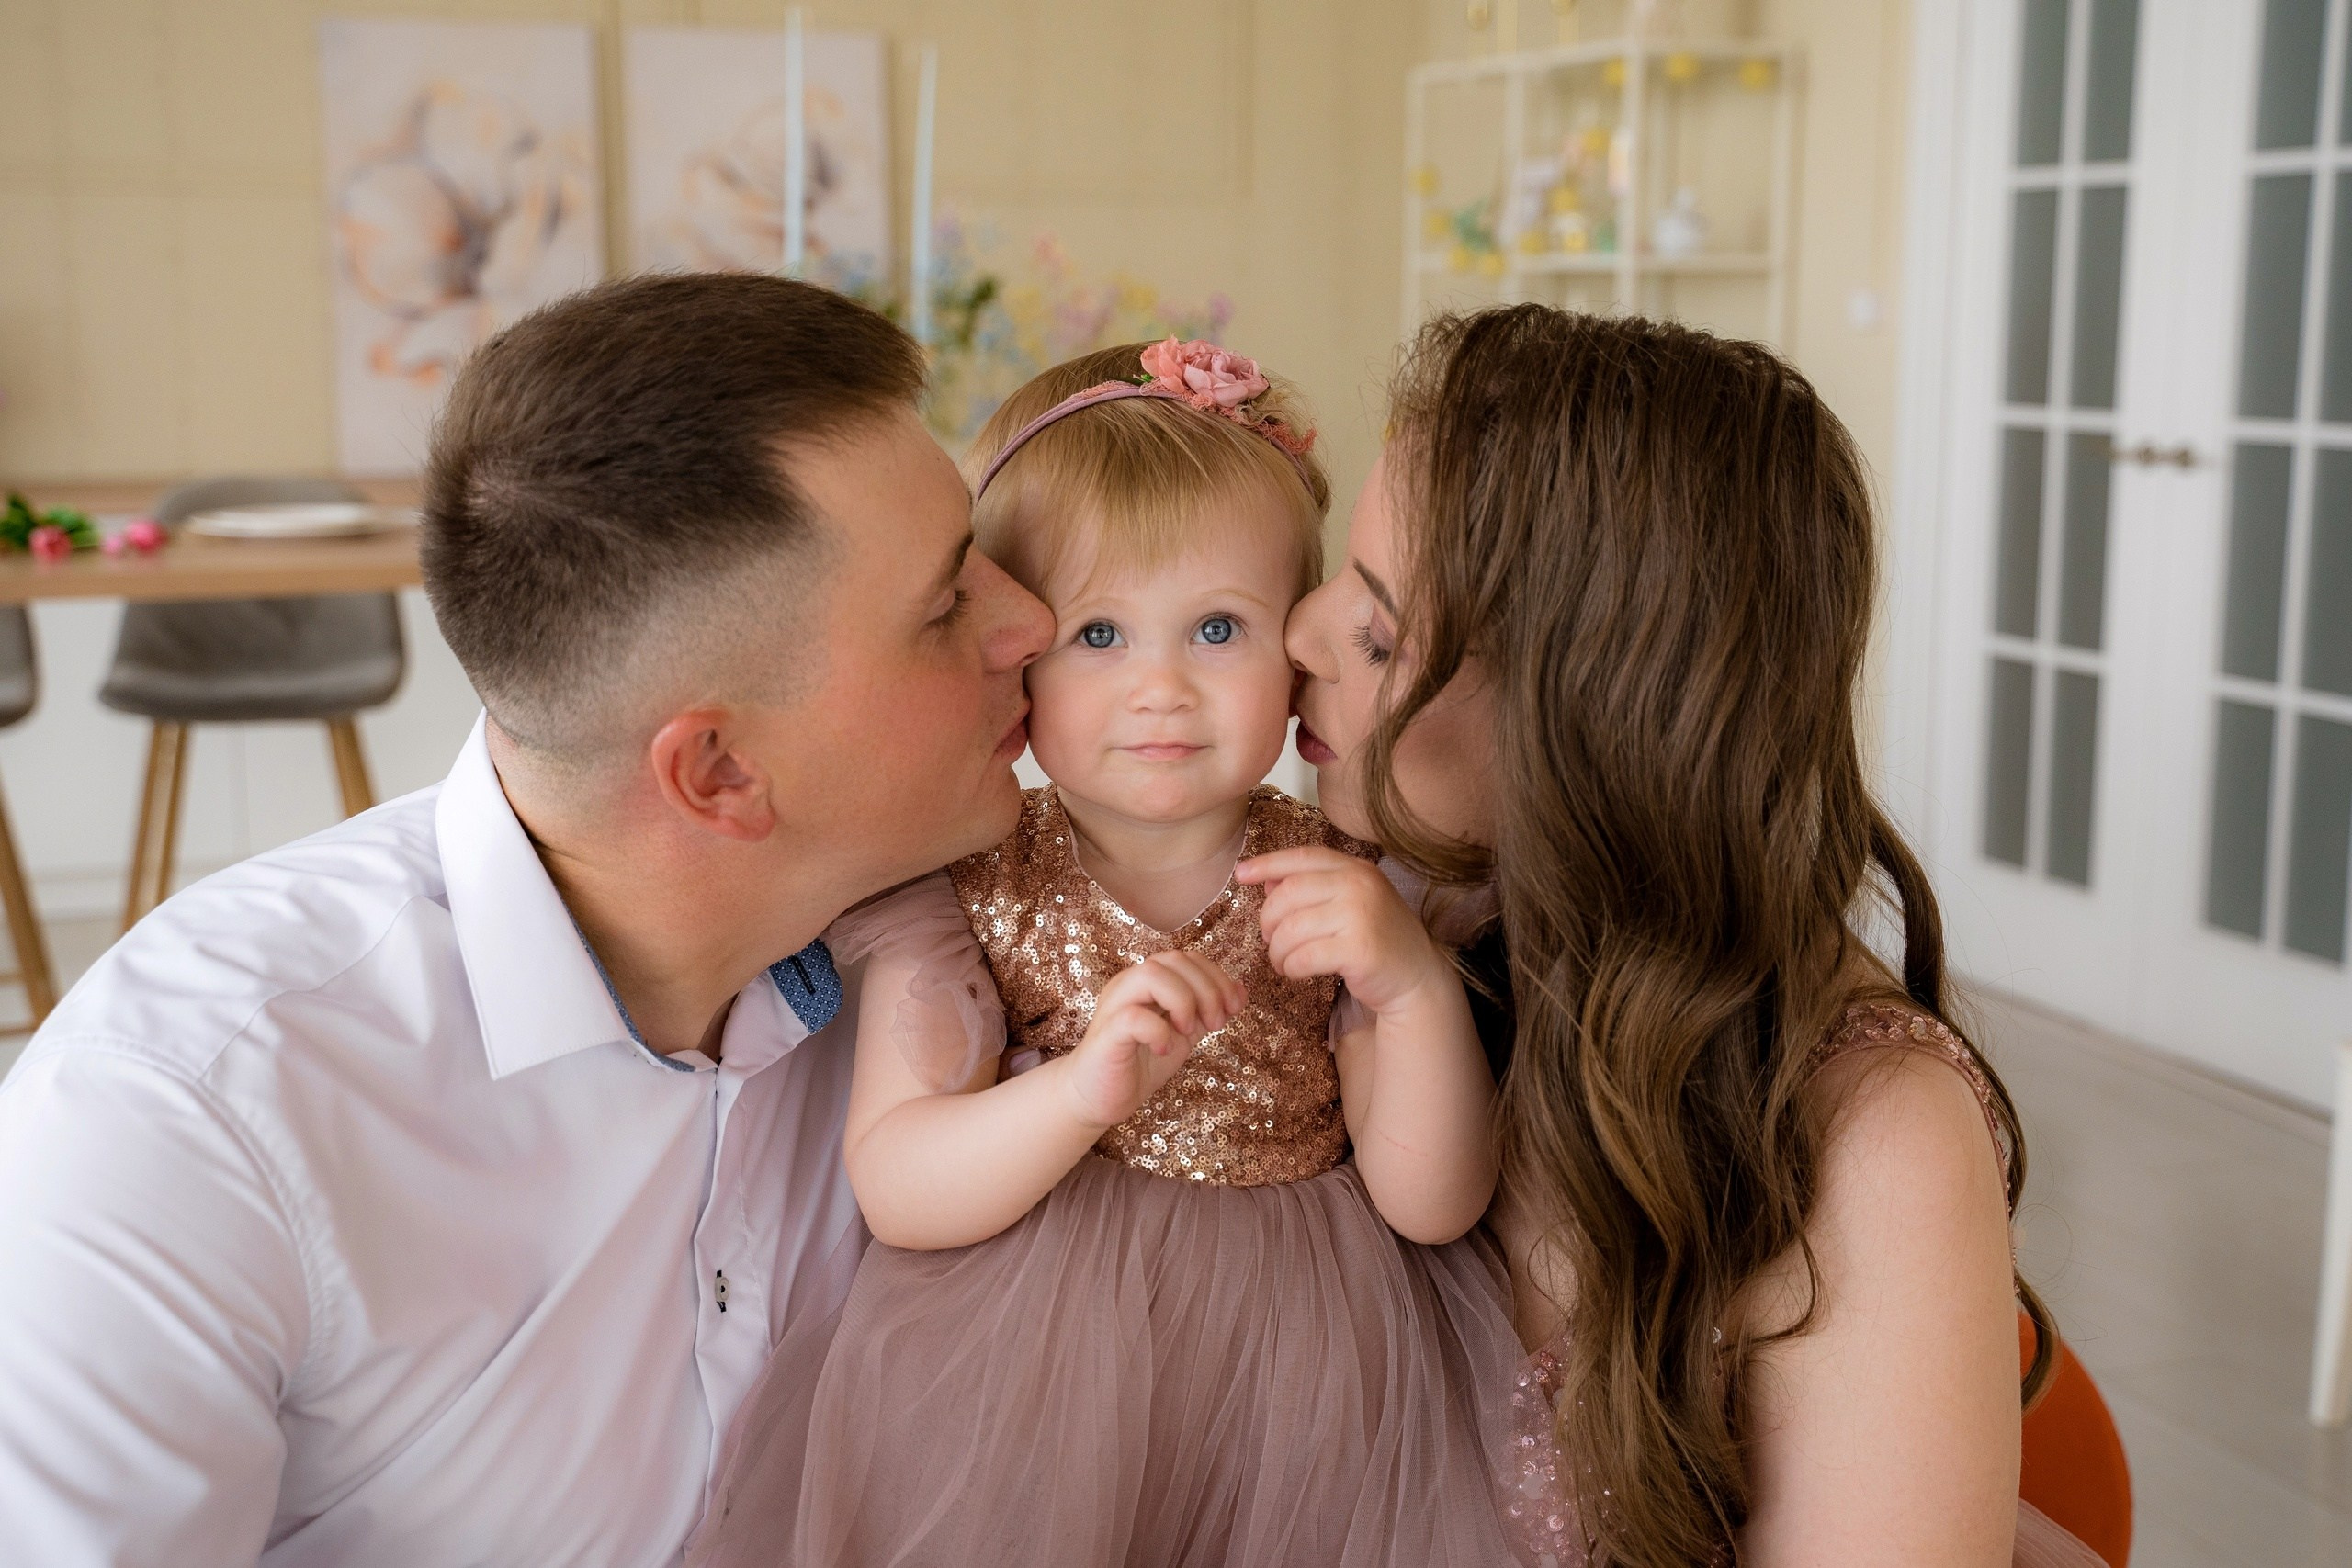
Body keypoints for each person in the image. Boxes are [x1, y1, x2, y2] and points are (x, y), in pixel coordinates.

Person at [0, 273, 1052, 1566]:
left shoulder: (990, 946)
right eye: (947, 606)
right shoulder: (178, 1125)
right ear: (718, 773)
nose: (1032, 623)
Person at [1285, 304, 2108, 1567]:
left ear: (1589, 732)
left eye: (1380, 632)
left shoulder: (1871, 1144)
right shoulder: (1413, 911)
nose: (1300, 635)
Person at [687, 340, 1528, 1568]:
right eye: (1099, 637)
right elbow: (900, 1183)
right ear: (1015, 651)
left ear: (1292, 642)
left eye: (1218, 627)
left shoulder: (1344, 885)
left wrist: (1408, 989)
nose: (1161, 689)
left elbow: (1434, 1200)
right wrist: (1077, 1094)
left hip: (1301, 1375)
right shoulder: (965, 889)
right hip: (1022, 1362)